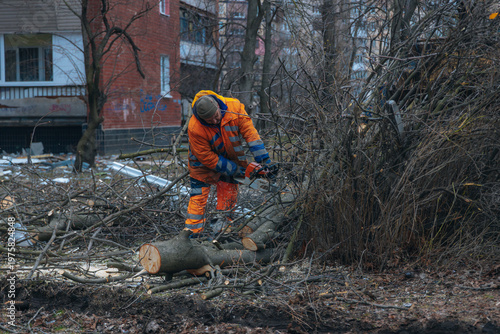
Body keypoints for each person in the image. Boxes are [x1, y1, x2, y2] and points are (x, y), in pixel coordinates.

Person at [185, 90, 271, 235]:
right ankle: (191, 235)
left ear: (218, 107)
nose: (214, 121)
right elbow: (207, 157)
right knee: (198, 199)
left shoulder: (235, 108)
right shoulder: (194, 127)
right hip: (201, 165)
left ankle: (222, 231)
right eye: (209, 120)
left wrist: (264, 160)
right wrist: (236, 170)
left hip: (230, 157)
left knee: (228, 195)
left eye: (216, 117)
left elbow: (251, 134)